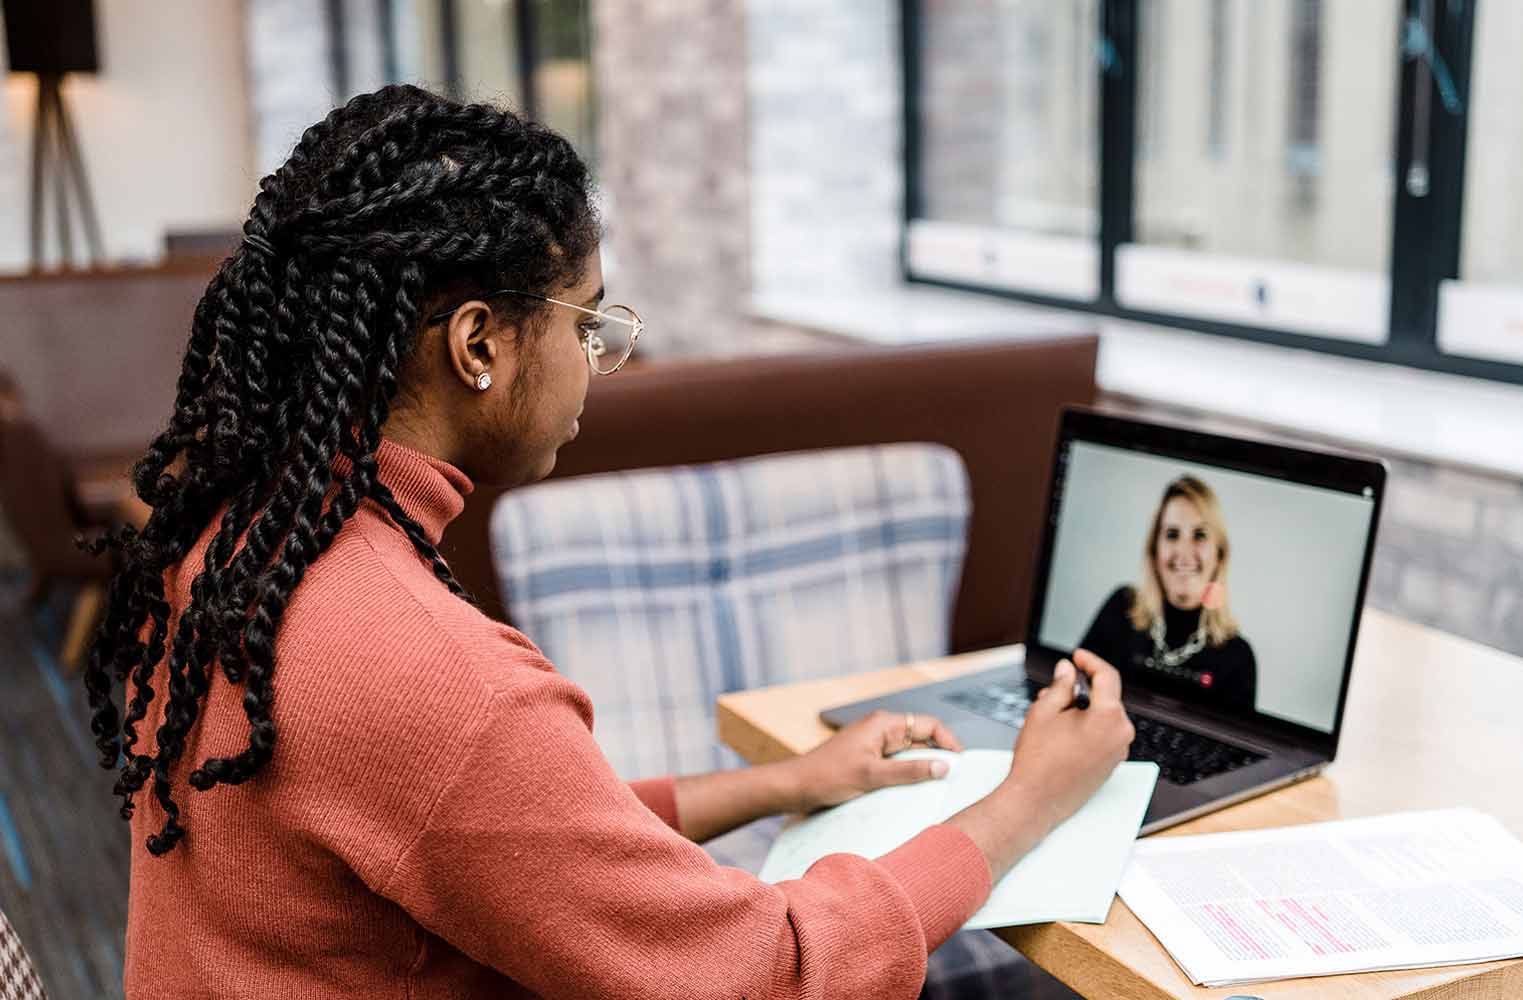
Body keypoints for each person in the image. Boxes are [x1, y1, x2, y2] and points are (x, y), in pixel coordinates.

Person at [83, 85, 1134, 999]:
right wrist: (1031, 796)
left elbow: (500, 839)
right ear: (481, 343)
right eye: (587, 325)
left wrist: (785, 780)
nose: (598, 361)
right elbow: (773, 972)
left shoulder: (240, 545)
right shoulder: (432, 678)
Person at [1078, 475, 1258, 710]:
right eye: (1172, 535)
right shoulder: (1121, 607)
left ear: (1219, 554)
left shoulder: (1238, 657)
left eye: (1200, 535)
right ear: (1154, 551)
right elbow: (1072, 684)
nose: (1184, 553)